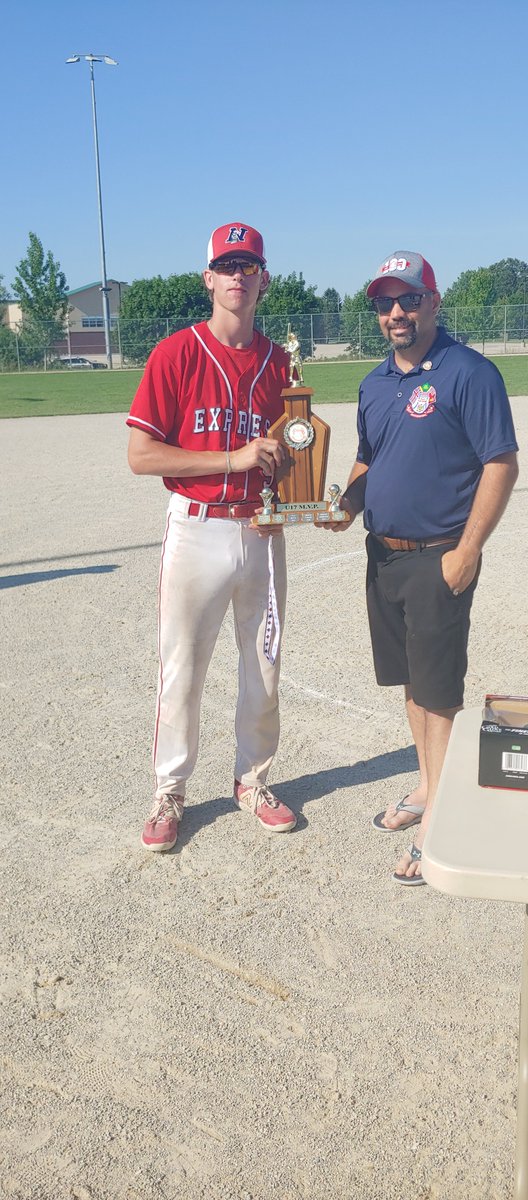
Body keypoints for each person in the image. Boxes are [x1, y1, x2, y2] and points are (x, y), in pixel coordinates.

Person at [325, 250, 519, 884]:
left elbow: (500, 465)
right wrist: (347, 505)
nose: (396, 313)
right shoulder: (376, 382)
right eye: (384, 303)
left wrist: (467, 552)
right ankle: (429, 784)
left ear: (434, 303)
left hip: (440, 558)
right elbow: (368, 458)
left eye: (409, 299)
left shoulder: (469, 372)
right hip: (384, 558)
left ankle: (439, 817)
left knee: (438, 698)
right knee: (412, 685)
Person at [127, 222, 297, 851]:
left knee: (265, 667)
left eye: (247, 266)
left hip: (263, 531)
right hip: (196, 529)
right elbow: (142, 456)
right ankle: (169, 791)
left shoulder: (282, 363)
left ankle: (251, 780)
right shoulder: (175, 353)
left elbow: (293, 451)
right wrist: (233, 458)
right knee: (182, 670)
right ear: (208, 279)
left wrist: (307, 499)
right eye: (226, 266)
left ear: (263, 279)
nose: (236, 277)